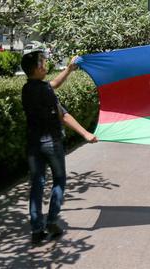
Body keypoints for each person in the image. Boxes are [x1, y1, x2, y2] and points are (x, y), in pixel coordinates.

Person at [21, 51, 98, 244]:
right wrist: (85, 134)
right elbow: (62, 115)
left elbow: (54, 84)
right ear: (38, 68)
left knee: (37, 185)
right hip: (51, 143)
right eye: (44, 63)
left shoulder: (28, 88)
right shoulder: (44, 91)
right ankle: (52, 221)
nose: (46, 65)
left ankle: (37, 229)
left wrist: (69, 69)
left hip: (33, 144)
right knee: (59, 180)